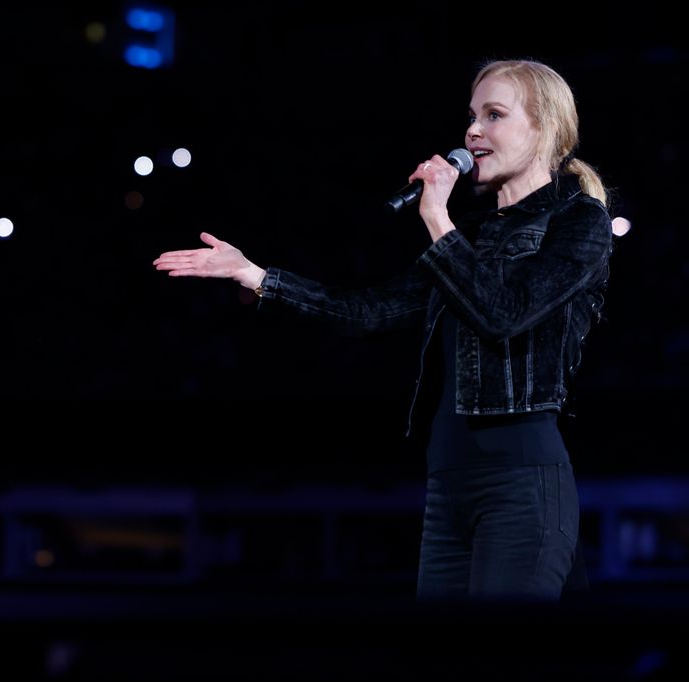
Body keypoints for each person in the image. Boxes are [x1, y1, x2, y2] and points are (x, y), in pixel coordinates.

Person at [154, 60, 615, 600]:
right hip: (448, 488)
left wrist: (438, 221)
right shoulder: (468, 237)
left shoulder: (578, 222)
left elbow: (506, 314)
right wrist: (254, 275)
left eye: (494, 115)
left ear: (546, 129)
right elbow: (368, 312)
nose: (472, 131)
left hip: (521, 486)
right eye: (471, 116)